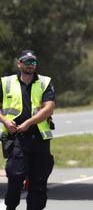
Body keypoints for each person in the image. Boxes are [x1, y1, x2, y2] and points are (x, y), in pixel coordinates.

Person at [0, 50, 56, 210]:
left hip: (39, 137)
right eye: (26, 62)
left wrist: (29, 123)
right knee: (15, 174)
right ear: (19, 63)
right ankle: (11, 205)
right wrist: (5, 121)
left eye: (33, 62)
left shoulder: (45, 82)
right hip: (15, 136)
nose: (30, 65)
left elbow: (49, 108)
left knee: (38, 180)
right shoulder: (5, 82)